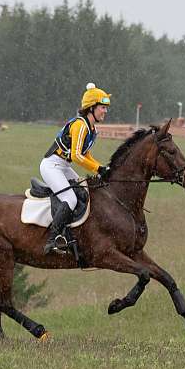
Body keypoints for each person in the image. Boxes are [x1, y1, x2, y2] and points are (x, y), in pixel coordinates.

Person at [40, 82, 111, 254]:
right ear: (91, 108)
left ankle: (70, 233)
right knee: (70, 199)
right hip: (52, 166)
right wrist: (98, 169)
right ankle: (52, 240)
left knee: (83, 191)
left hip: (63, 166)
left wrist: (102, 167)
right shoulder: (80, 125)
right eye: (102, 107)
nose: (105, 111)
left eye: (106, 108)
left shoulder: (92, 129)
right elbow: (76, 156)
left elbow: (86, 155)